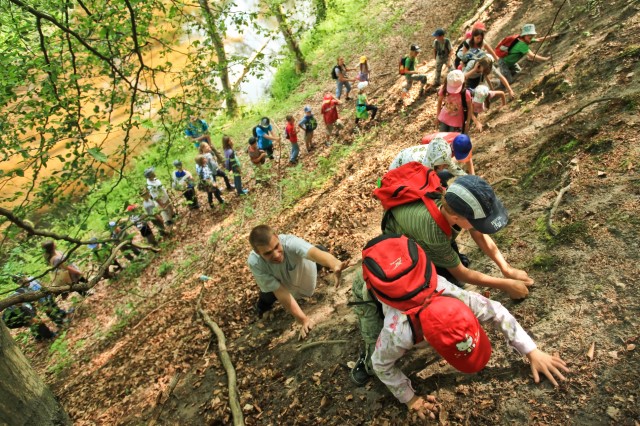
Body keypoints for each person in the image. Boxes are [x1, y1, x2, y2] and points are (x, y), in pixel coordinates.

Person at [349, 255, 569, 409]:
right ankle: (363, 354)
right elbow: (381, 364)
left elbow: (498, 311)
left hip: (411, 271)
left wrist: (532, 351)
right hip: (368, 282)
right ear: (429, 343)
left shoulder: (463, 300)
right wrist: (410, 399)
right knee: (371, 353)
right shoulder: (399, 333)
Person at [381, 174, 534, 298]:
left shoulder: (455, 201)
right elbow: (461, 273)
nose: (479, 227)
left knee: (451, 257)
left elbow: (478, 234)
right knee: (444, 286)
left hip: (432, 229)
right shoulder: (433, 233)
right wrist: (506, 285)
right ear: (456, 218)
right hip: (405, 241)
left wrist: (507, 269)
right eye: (478, 223)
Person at [247, 225, 349, 339]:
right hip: (281, 284)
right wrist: (303, 320)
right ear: (257, 252)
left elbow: (315, 253)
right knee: (266, 294)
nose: (276, 255)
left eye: (276, 246)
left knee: (321, 249)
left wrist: (335, 264)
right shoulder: (255, 262)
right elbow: (280, 291)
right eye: (267, 253)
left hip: (306, 273)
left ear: (277, 237)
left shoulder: (290, 242)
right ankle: (262, 310)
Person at [389, 137, 466, 177]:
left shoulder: (440, 150)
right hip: (399, 172)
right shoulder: (422, 167)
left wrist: (469, 178)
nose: (446, 166)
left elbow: (452, 167)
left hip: (404, 157)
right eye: (444, 165)